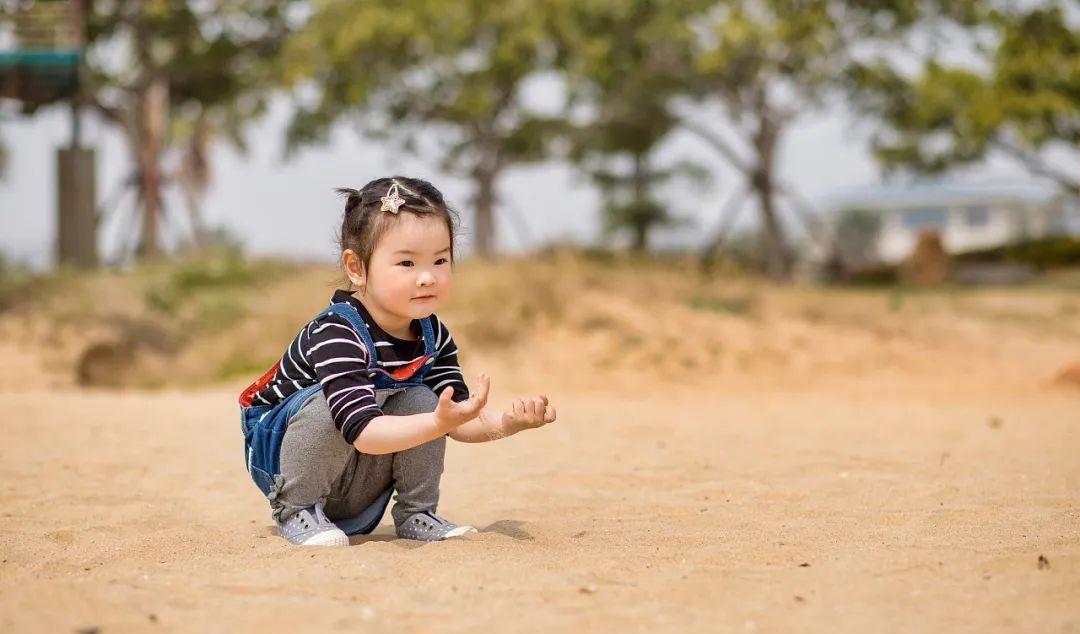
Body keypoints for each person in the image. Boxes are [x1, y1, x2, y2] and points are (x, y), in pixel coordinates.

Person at [237, 176, 557, 546]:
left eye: (440, 260)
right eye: (406, 263)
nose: (427, 277)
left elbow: (455, 420)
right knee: (330, 404)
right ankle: (298, 511)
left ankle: (417, 512)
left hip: (359, 478)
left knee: (424, 399)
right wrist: (436, 422)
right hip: (288, 463)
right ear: (357, 267)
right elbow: (362, 431)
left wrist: (508, 423)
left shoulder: (432, 335)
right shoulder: (338, 332)